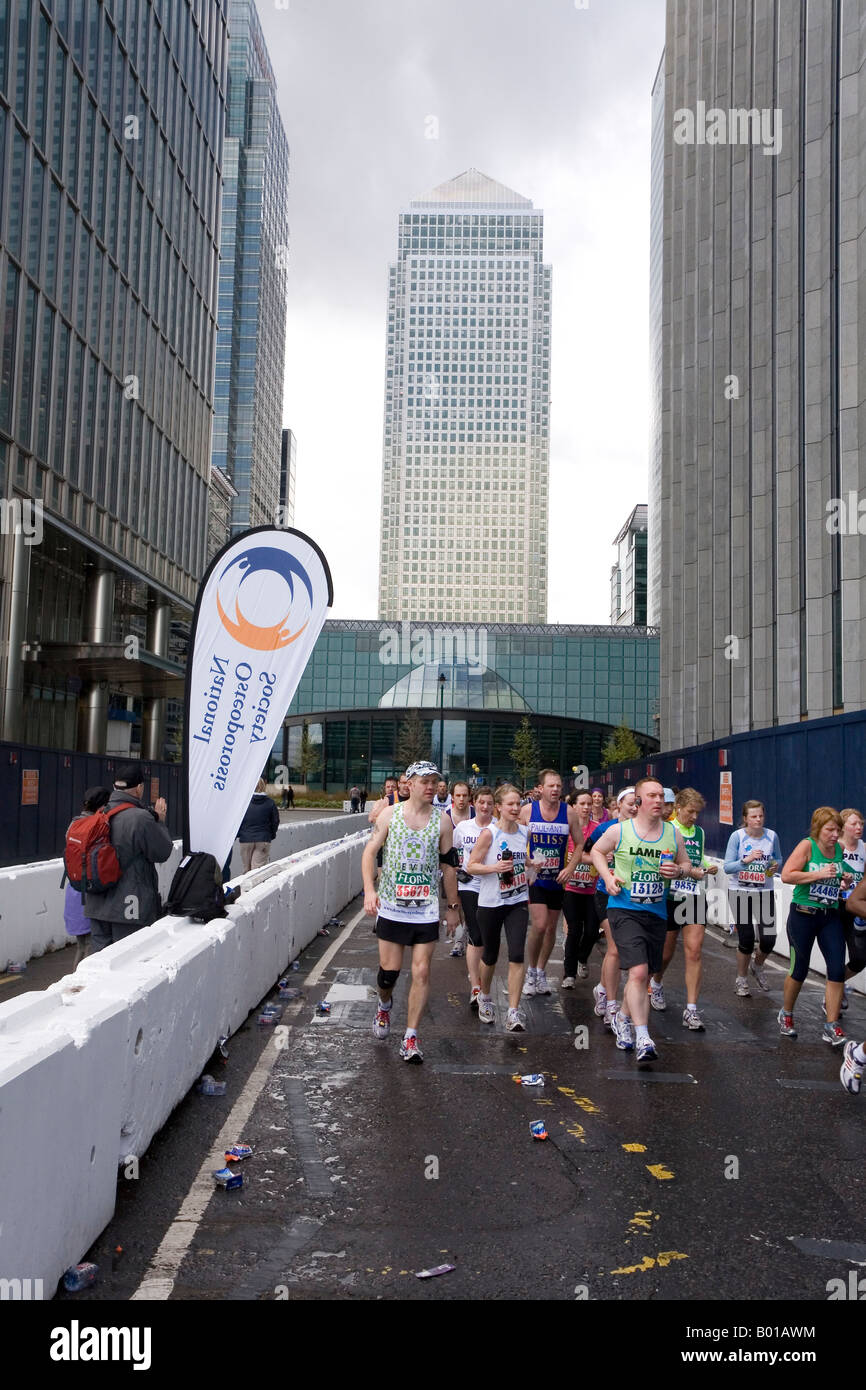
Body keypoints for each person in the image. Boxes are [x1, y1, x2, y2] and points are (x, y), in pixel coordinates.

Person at [591, 778, 697, 1066]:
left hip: (656, 911)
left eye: (661, 795)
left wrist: (679, 870)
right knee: (637, 972)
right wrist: (608, 876)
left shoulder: (672, 834)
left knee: (647, 973)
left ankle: (623, 1018)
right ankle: (643, 1037)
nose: (658, 800)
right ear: (638, 801)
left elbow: (687, 865)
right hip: (624, 909)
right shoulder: (620, 830)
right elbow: (596, 852)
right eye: (651, 795)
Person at [362, 761, 459, 1063]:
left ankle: (411, 1037)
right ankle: (384, 1004)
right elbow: (369, 852)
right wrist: (369, 890)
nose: (431, 787)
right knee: (388, 974)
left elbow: (448, 865)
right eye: (425, 781)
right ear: (411, 783)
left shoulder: (442, 821)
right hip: (392, 906)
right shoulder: (390, 815)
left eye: (434, 782)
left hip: (425, 908)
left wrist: (453, 907)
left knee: (421, 970)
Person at [779, 807, 851, 1043]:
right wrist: (818, 875)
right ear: (818, 829)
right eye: (830, 829)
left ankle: (831, 1025)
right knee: (799, 969)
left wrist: (842, 879)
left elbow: (834, 876)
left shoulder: (839, 849)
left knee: (837, 969)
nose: (834, 835)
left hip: (829, 915)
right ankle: (787, 1014)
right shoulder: (807, 846)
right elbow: (787, 875)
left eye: (838, 830)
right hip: (803, 914)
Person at [648, 788, 717, 1029]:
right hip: (670, 895)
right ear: (678, 808)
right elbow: (661, 862)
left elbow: (698, 858)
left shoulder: (698, 832)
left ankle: (691, 1009)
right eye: (690, 812)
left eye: (697, 813)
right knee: (665, 953)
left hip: (693, 895)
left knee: (694, 951)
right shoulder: (666, 829)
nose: (694, 817)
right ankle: (656, 983)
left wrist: (707, 867)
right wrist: (684, 870)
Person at [85, 763, 173, 952]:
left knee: (101, 965)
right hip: (129, 907)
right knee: (128, 963)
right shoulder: (140, 818)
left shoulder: (99, 813)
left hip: (96, 904)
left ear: (115, 786)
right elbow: (162, 852)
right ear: (140, 788)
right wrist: (161, 822)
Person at [468, 783, 534, 1032]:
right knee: (490, 955)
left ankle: (513, 1012)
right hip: (491, 902)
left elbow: (522, 859)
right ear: (499, 807)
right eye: (511, 804)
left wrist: (532, 864)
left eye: (518, 803)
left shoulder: (524, 832)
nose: (516, 808)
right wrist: (493, 868)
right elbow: (471, 865)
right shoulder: (489, 834)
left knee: (517, 954)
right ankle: (485, 996)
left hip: (517, 900)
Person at [520, 770, 582, 996]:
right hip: (536, 878)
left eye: (558, 786)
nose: (555, 790)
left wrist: (570, 868)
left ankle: (540, 972)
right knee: (539, 925)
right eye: (551, 786)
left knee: (551, 930)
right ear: (540, 788)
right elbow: (515, 840)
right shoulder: (528, 811)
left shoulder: (569, 813)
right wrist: (527, 862)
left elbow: (580, 843)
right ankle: (530, 972)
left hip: (557, 879)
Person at [723, 800, 783, 996]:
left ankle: (757, 966)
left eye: (761, 816)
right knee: (747, 939)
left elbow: (778, 858)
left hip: (764, 892)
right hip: (740, 890)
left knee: (769, 940)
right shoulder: (737, 837)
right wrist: (745, 860)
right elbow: (727, 867)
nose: (758, 819)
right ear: (745, 819)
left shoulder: (772, 836)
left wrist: (774, 865)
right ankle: (741, 979)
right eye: (753, 816)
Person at [589, 789, 637, 1029]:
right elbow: (586, 851)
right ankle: (611, 1004)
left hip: (632, 897)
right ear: (619, 805)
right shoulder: (607, 829)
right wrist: (602, 861)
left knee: (621, 950)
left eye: (638, 803)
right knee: (615, 948)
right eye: (630, 803)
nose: (635, 808)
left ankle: (602, 987)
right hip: (605, 893)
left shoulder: (643, 831)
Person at [453, 785, 495, 1008]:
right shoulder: (463, 827)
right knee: (476, 934)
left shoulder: (499, 827)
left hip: (493, 886)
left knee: (488, 938)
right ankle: (475, 986)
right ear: (474, 804)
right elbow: (453, 851)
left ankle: (483, 983)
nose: (485, 807)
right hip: (470, 885)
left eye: (489, 803)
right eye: (481, 802)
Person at [64, 785, 111, 969]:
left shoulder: (73, 825)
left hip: (74, 890)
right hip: (92, 893)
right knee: (93, 946)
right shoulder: (99, 825)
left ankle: (74, 983)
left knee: (81, 946)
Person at [557, 790, 599, 987]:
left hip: (592, 889)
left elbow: (607, 852)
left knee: (591, 931)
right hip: (571, 889)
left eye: (589, 804)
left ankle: (582, 957)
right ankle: (569, 974)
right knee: (574, 930)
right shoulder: (566, 829)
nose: (586, 807)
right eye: (582, 803)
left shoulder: (598, 829)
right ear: (573, 806)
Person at [838, 808, 866, 1008]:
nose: (859, 827)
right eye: (854, 824)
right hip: (836, 907)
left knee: (858, 959)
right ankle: (832, 996)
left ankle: (837, 985)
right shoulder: (836, 847)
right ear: (843, 827)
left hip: (856, 909)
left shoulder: (864, 848)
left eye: (861, 824)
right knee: (836, 956)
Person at [445, 781, 475, 955]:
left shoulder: (476, 814)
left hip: (472, 870)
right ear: (452, 797)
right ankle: (459, 939)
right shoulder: (445, 816)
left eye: (465, 795)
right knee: (456, 903)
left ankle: (465, 936)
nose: (462, 799)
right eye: (458, 795)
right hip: (452, 869)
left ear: (470, 796)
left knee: (469, 905)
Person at [237, 778, 280, 872]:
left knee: (246, 869)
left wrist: (240, 834)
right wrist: (271, 834)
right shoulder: (270, 802)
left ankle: (246, 886)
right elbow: (275, 821)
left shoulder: (244, 802)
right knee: (257, 870)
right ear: (264, 786)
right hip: (263, 838)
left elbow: (237, 821)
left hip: (246, 839)